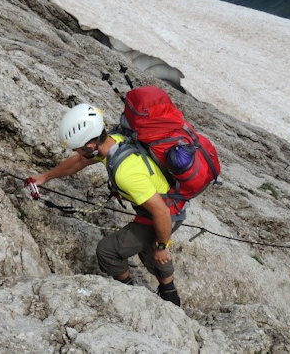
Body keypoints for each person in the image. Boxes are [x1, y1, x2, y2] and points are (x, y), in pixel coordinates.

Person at [29, 103, 183, 306]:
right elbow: (78, 162)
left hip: (163, 213)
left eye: (77, 148)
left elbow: (161, 212)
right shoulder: (115, 141)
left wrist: (163, 246)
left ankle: (133, 295)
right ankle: (168, 291)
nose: (77, 152)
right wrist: (45, 177)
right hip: (166, 203)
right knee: (147, 249)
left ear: (90, 145)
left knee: (108, 251)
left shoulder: (125, 172)